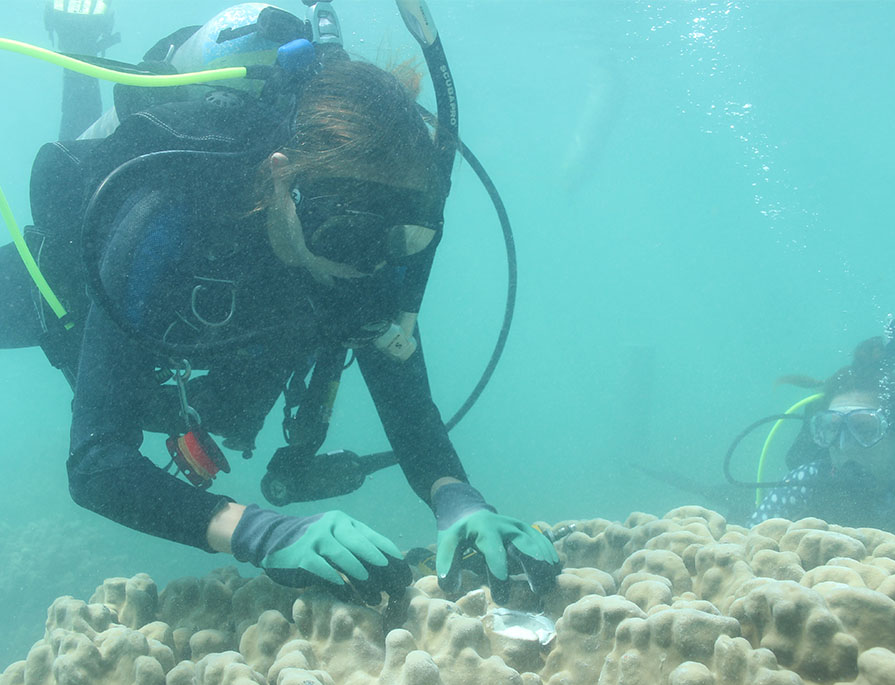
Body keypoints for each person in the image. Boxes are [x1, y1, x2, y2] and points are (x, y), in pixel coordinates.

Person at [0, 2, 560, 605]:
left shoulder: (368, 251)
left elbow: (411, 415)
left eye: (397, 240)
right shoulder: (161, 216)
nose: (363, 265)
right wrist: (258, 532)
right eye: (343, 235)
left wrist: (460, 501)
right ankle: (78, 54)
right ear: (279, 179)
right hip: (74, 288)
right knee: (52, 272)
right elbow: (97, 464)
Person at [747, 321, 895, 533]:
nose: (844, 445)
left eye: (864, 429)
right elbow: (755, 537)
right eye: (831, 428)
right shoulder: (809, 479)